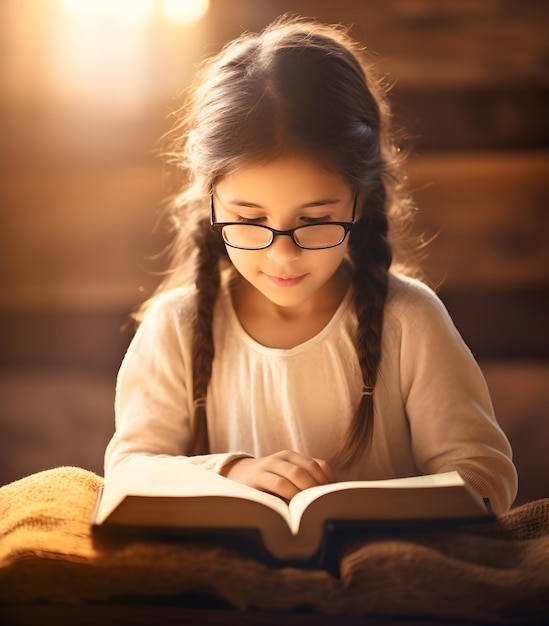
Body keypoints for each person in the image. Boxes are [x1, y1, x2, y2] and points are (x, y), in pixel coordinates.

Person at [104, 16, 517, 513]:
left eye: (315, 219)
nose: (283, 254)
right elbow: (129, 473)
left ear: (359, 203)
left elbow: (485, 475)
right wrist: (235, 472)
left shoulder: (409, 321)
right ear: (211, 200)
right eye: (249, 218)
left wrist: (360, 507)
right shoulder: (177, 329)